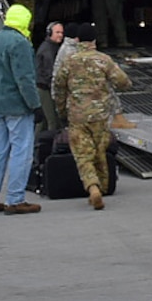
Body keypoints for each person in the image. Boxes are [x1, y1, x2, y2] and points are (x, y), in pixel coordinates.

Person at [51, 25, 134, 210]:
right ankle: (103, 188)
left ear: (78, 41)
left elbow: (58, 88)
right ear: (94, 41)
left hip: (77, 116)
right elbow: (124, 82)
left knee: (83, 155)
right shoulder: (104, 60)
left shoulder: (69, 60)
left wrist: (62, 111)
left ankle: (93, 187)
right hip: (100, 116)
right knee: (99, 152)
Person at [0, 4, 42, 215]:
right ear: (25, 21)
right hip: (16, 107)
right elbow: (25, 79)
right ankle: (15, 199)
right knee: (21, 152)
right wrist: (35, 105)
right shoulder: (20, 43)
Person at [35, 21, 65, 132]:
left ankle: (35, 145)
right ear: (49, 33)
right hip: (45, 88)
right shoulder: (48, 50)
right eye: (57, 32)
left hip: (43, 87)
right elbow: (50, 72)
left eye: (62, 32)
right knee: (52, 121)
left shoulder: (51, 47)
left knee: (43, 121)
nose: (60, 35)